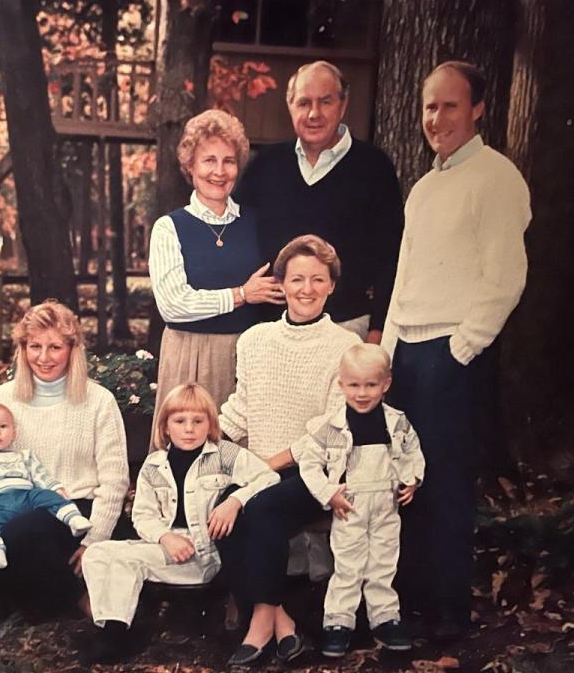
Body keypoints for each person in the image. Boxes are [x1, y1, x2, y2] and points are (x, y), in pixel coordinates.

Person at [382, 61, 531, 640]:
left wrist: (461, 349)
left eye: (448, 106)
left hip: (453, 355)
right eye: (429, 107)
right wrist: (390, 351)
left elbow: (506, 278)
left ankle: (448, 613)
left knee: (444, 483)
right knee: (406, 481)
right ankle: (413, 602)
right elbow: (404, 278)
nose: (436, 119)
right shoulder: (424, 187)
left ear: (477, 109)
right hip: (409, 357)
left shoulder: (497, 178)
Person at [216, 234, 361, 666]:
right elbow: (240, 409)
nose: (307, 289)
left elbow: (330, 429)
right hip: (260, 467)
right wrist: (204, 444)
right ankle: (281, 620)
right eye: (297, 279)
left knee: (258, 507)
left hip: (314, 472)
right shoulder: (254, 340)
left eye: (318, 279)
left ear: (332, 285)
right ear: (281, 283)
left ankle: (259, 620)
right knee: (220, 504)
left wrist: (269, 465)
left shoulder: (346, 346)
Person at [79, 383, 279, 664]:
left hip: (203, 554)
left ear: (210, 425)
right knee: (98, 553)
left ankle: (115, 636)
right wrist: (165, 537)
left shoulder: (225, 455)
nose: (189, 429)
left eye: (198, 421)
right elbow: (142, 515)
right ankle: (113, 626)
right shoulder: (154, 465)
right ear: (165, 426)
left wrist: (234, 502)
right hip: (166, 548)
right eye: (180, 421)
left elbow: (269, 478)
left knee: (126, 561)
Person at [232, 60, 403, 342]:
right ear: (290, 106)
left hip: (347, 328)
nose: (314, 113)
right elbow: (235, 235)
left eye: (325, 101)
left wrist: (377, 331)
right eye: (303, 103)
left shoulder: (374, 167)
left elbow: (392, 256)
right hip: (274, 330)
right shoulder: (266, 165)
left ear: (343, 104)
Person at [0, 300, 129, 611]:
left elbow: (115, 481)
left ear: (72, 349)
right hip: (17, 507)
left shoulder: (98, 401)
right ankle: (69, 598)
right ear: (22, 349)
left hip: (76, 511)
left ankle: (77, 601)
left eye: (55, 347)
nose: (44, 358)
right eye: (34, 346)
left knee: (24, 532)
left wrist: (94, 541)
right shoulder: (1, 399)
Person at [149, 109, 283, 429]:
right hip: (188, 356)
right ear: (190, 166)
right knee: (186, 451)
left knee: (238, 457)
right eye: (209, 160)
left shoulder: (256, 222)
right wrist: (241, 295)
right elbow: (172, 306)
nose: (219, 171)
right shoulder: (169, 228)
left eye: (229, 161)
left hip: (246, 357)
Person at [298, 343, 424, 656]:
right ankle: (338, 622)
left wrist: (412, 479)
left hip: (386, 502)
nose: (362, 393)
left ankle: (385, 618)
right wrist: (328, 492)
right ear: (341, 385)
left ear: (386, 384)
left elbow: (411, 451)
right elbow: (309, 463)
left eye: (371, 385)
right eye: (354, 385)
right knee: (349, 564)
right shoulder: (331, 427)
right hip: (349, 505)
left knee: (383, 561)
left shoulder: (396, 422)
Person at [0, 403, 92, 569]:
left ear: (14, 433)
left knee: (45, 495)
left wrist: (55, 488)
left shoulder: (24, 456)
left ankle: (73, 519)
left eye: (3, 426)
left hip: (25, 496)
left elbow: (39, 475)